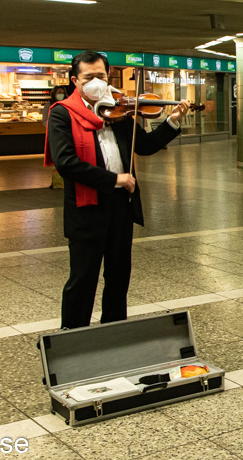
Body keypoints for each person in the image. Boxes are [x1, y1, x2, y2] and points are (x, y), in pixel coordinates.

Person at [45, 51, 191, 329]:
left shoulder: (118, 110)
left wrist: (172, 120)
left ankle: (114, 333)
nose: (97, 82)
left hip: (120, 208)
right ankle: (73, 337)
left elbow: (144, 145)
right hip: (86, 210)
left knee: (118, 276)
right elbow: (66, 164)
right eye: (89, 78)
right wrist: (116, 179)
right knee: (83, 279)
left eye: (101, 76)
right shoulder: (63, 114)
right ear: (76, 81)